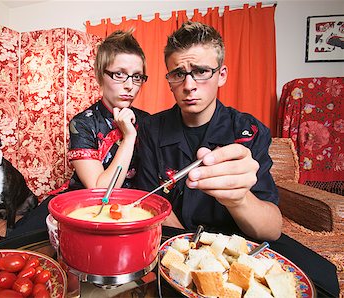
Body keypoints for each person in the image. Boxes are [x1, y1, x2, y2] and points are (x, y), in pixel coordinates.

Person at [136, 21, 339, 296]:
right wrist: (194, 256)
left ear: (222, 74)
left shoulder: (248, 130)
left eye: (201, 72)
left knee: (322, 282)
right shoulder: (151, 129)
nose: (189, 85)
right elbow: (154, 202)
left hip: (240, 241)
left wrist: (239, 199)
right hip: (176, 241)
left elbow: (270, 228)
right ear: (169, 79)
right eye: (178, 74)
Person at [9, 30, 150, 236]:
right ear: (100, 75)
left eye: (137, 77)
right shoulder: (83, 122)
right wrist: (129, 137)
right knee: (23, 242)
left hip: (132, 205)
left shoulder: (149, 121)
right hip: (85, 201)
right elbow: (101, 191)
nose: (129, 85)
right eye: (119, 74)